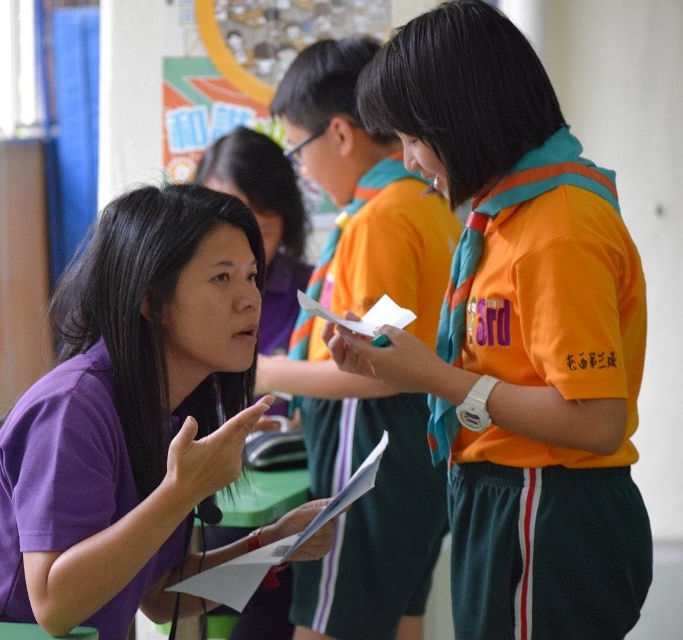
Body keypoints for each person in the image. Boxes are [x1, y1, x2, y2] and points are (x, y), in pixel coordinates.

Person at [324, 2, 652, 639]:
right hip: (509, 497)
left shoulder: (556, 228)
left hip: (547, 506)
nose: (410, 161)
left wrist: (433, 377)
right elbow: (507, 367)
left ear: (459, 120)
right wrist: (397, 363)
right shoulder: (504, 219)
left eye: (412, 139)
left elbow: (596, 422)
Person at [0, 184, 335, 640]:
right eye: (222, 278)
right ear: (152, 302)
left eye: (252, 275)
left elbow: (162, 595)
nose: (250, 298)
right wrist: (180, 492)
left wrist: (274, 542)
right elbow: (55, 607)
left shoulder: (170, 408)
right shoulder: (73, 407)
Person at [258, 35, 462, 640]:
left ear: (341, 134)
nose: (302, 169)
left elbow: (375, 371)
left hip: (370, 450)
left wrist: (265, 371)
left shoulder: (380, 220)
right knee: (400, 618)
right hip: (417, 453)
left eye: (299, 148)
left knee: (325, 621)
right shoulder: (426, 203)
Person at [193, 125, 313, 638]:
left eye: (258, 226)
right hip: (202, 503)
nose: (238, 239)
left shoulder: (312, 292)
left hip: (282, 499)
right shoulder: (177, 297)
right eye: (222, 218)